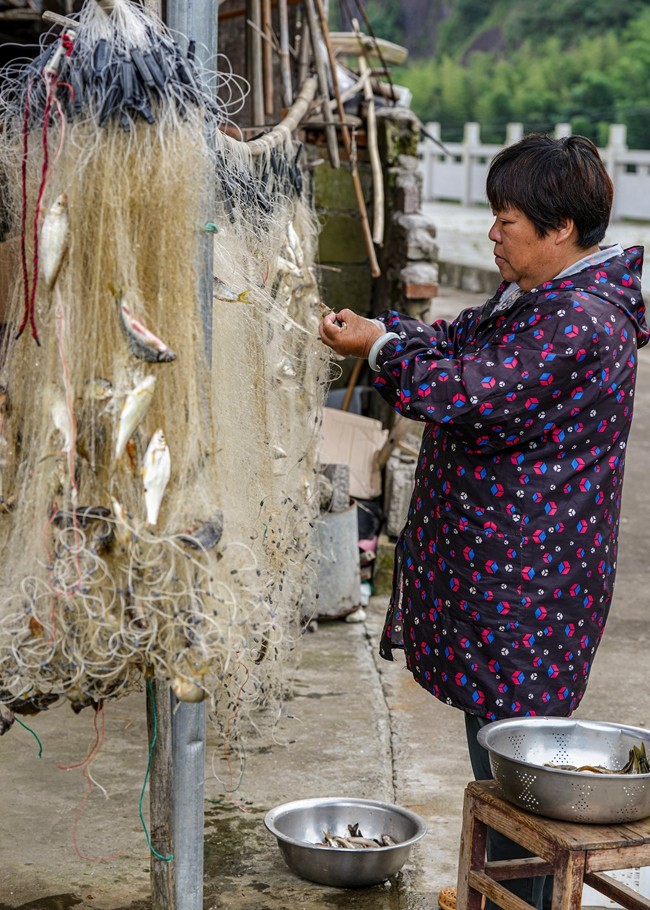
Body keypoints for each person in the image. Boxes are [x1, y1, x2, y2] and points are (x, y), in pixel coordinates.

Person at [318, 134, 649, 910]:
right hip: (506, 574)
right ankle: (506, 886)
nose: (493, 234)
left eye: (507, 220)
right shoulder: (533, 297)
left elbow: (463, 393)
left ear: (559, 229)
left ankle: (520, 896)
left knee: (517, 756)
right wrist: (386, 329)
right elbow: (453, 344)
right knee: (497, 742)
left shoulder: (579, 321)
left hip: (530, 584)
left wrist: (382, 350)